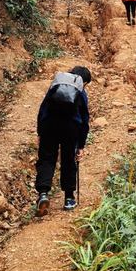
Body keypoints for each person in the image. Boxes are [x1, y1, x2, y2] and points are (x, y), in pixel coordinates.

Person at [35, 65, 91, 216]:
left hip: (49, 124)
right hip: (70, 127)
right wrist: (80, 145)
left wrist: (40, 131)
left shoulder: (56, 85)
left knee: (46, 158)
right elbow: (85, 121)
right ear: (84, 82)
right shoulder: (81, 91)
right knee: (68, 159)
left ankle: (43, 194)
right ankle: (69, 199)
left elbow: (42, 109)